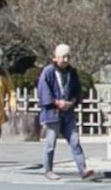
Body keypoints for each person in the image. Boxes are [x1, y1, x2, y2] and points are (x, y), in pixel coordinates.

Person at [37, 43, 96, 181]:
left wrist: (73, 101)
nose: (65, 60)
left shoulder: (72, 72)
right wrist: (57, 102)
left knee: (75, 141)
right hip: (53, 113)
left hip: (68, 112)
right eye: (63, 57)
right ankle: (48, 169)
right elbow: (43, 92)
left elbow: (77, 90)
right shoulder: (48, 72)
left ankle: (83, 169)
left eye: (67, 57)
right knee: (50, 143)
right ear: (56, 57)